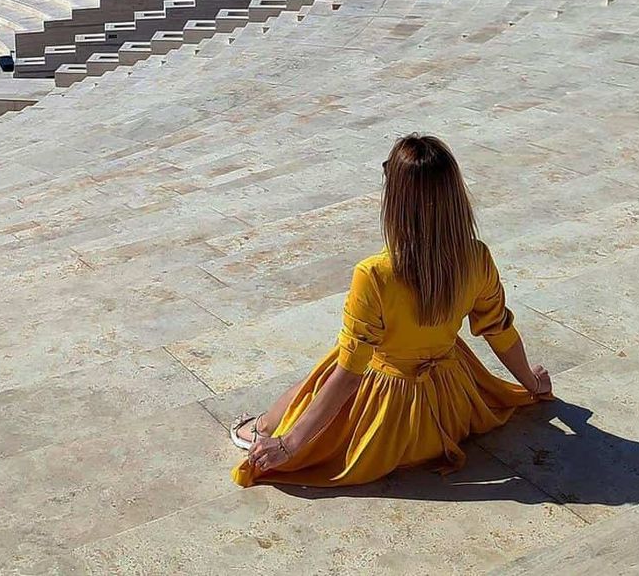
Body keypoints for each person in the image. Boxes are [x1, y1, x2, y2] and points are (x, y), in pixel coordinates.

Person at [230, 135, 551, 489]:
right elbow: (498, 331)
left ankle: (264, 427)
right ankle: (267, 425)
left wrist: (289, 447)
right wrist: (531, 384)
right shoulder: (476, 257)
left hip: (390, 425)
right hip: (453, 408)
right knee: (344, 361)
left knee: (327, 372)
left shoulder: (375, 274)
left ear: (396, 201)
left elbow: (349, 376)